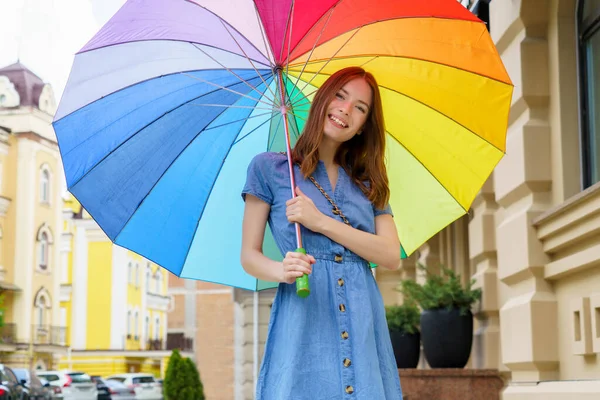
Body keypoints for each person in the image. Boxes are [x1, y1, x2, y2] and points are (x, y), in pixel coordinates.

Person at [241, 66, 403, 400]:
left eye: (360, 107)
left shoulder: (369, 182)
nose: (346, 110)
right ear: (322, 101)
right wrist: (281, 269)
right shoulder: (269, 169)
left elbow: (390, 255)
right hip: (303, 316)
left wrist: (321, 222)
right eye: (340, 96)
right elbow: (249, 256)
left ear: (363, 127)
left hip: (362, 319)